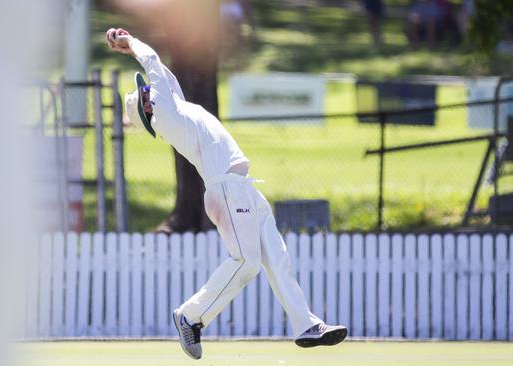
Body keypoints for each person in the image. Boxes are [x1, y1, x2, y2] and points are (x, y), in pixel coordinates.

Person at [105, 27, 347, 360]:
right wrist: (130, 43)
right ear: (148, 113)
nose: (147, 90)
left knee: (276, 257)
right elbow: (155, 63)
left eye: (145, 90)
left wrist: (133, 51)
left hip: (242, 189)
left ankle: (305, 324)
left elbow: (164, 75)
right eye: (144, 96)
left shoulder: (173, 105)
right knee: (246, 263)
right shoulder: (166, 113)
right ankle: (191, 316)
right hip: (226, 190)